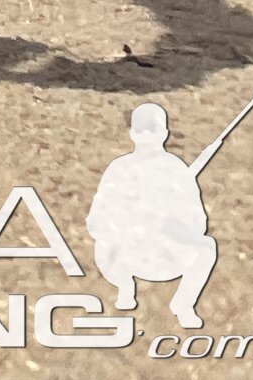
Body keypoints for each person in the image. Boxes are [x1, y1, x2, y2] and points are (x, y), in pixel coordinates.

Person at [87, 100, 221, 329]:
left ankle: (184, 304)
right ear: (132, 133)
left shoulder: (177, 170)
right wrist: (126, 222)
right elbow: (95, 220)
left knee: (206, 247)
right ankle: (125, 287)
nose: (147, 135)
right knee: (103, 244)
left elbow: (198, 222)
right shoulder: (119, 168)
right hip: (126, 254)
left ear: (164, 133)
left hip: (165, 254)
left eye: (153, 129)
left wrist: (169, 219)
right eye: (141, 129)